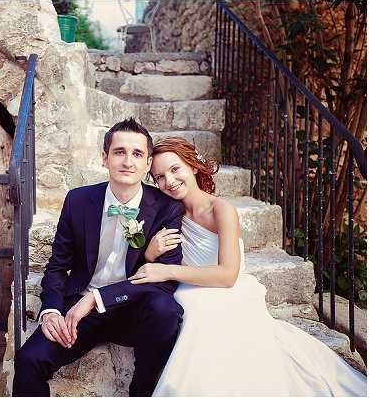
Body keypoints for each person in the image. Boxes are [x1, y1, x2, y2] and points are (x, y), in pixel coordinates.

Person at [129, 136, 367, 396]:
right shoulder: (167, 212)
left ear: (193, 166)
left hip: (227, 287)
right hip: (188, 286)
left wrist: (167, 270)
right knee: (183, 305)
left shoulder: (221, 210)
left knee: (202, 312)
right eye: (160, 176)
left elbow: (228, 275)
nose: (169, 181)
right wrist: (150, 254)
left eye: (175, 169)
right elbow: (140, 260)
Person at [12, 118, 185, 396]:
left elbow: (164, 280)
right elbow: (57, 265)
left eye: (137, 154)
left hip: (133, 310)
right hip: (80, 312)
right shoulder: (78, 200)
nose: (128, 161)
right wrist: (51, 310)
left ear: (148, 163)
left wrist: (98, 298)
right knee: (28, 360)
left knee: (165, 309)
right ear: (105, 158)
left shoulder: (167, 208)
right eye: (119, 152)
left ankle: (141, 392)